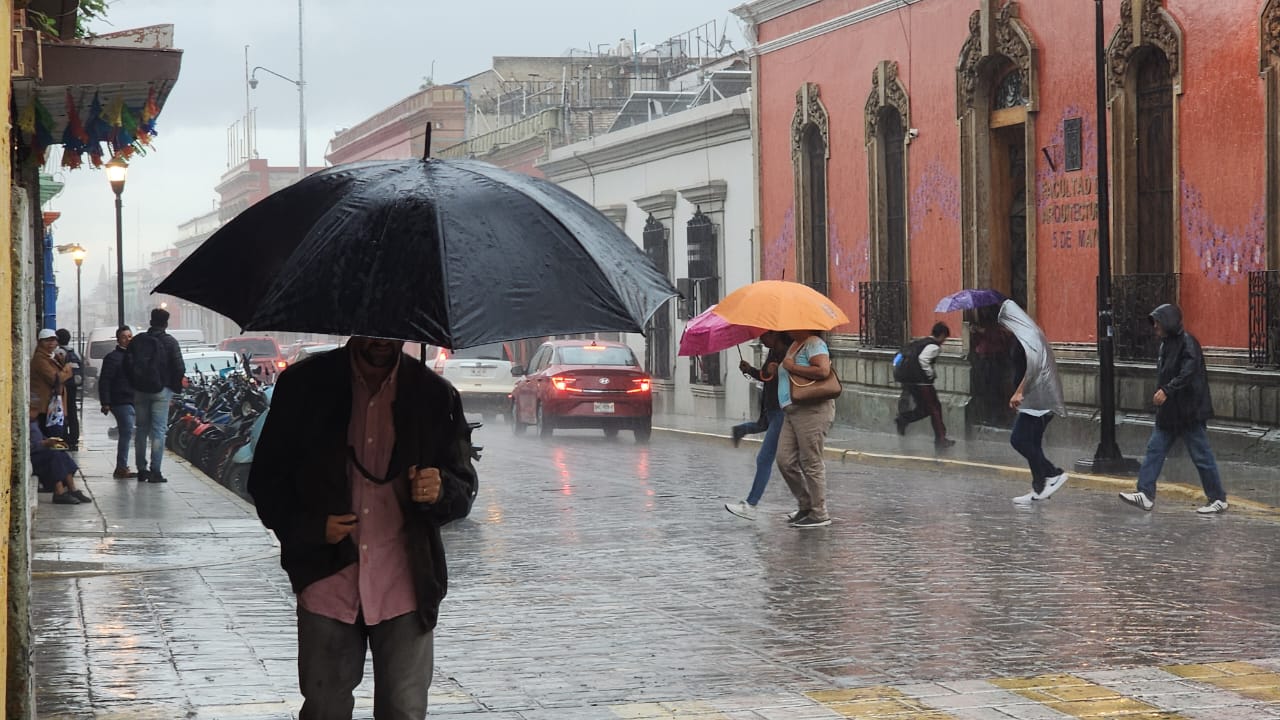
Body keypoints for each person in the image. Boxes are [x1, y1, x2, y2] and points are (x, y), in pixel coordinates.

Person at [248, 337, 478, 719]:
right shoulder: (306, 386)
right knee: (325, 707)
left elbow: (463, 485)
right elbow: (267, 482)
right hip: (327, 578)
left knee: (404, 709)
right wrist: (311, 528)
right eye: (372, 328)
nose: (381, 340)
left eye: (391, 331)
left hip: (406, 584)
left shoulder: (434, 395)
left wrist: (441, 489)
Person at [1120, 304, 1228, 514]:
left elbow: (1188, 373)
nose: (1155, 327)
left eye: (1158, 322)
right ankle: (1145, 494)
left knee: (1201, 456)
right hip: (1170, 413)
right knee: (1154, 450)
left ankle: (1218, 498)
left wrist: (1166, 391)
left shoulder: (1188, 343)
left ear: (1168, 322)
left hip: (1189, 412)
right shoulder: (1165, 345)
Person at [998, 300, 1069, 505]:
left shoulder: (1029, 336)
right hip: (1034, 400)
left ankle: (1053, 474)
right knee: (1033, 444)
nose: (1002, 327)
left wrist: (1018, 392)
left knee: (1018, 440)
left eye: (1004, 322)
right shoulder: (1023, 336)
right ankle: (1039, 488)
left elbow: (1035, 366)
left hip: (1039, 401)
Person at [725, 331, 791, 521]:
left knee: (764, 458)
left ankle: (751, 504)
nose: (761, 339)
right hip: (769, 405)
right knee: (762, 426)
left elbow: (792, 380)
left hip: (781, 409)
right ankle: (808, 506)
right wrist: (750, 370)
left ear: (776, 335)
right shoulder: (772, 352)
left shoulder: (789, 353)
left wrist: (780, 370)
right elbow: (765, 376)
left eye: (765, 335)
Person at [776, 330, 836, 528]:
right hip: (791, 411)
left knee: (811, 461)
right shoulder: (795, 345)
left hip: (811, 411)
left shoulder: (814, 343)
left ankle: (819, 513)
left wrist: (792, 367)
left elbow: (823, 370)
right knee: (784, 460)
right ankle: (805, 504)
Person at [125, 308, 184, 483]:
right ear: (166, 323)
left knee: (141, 430)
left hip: (140, 391)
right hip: (161, 391)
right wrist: (173, 386)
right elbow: (179, 367)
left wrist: (134, 384)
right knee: (158, 431)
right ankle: (155, 471)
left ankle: (141, 470)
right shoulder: (170, 342)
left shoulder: (138, 341)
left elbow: (127, 364)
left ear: (150, 321)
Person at [894, 322, 956, 448]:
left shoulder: (920, 343)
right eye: (945, 338)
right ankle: (941, 440)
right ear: (942, 335)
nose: (944, 341)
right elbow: (923, 360)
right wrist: (930, 374)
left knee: (925, 409)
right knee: (935, 409)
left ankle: (904, 419)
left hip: (911, 381)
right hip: (922, 383)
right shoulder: (933, 346)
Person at [99, 326, 138, 479]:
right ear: (118, 339)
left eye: (130, 336)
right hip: (120, 400)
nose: (128, 339)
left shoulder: (135, 356)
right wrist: (105, 402)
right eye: (125, 337)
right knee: (127, 431)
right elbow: (105, 380)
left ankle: (124, 465)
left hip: (133, 399)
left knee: (129, 432)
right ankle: (121, 467)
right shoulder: (112, 357)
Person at [30, 409, 91, 505]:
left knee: (62, 454)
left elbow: (41, 437)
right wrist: (43, 443)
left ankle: (72, 489)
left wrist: (50, 441)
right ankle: (59, 492)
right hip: (33, 456)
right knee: (54, 457)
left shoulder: (34, 422)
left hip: (40, 451)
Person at [30, 328, 72, 441]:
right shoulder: (40, 359)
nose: (51, 343)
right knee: (51, 437)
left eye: (54, 340)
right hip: (46, 406)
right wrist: (67, 371)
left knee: (57, 436)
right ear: (40, 342)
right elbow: (55, 379)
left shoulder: (51, 357)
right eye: (47, 340)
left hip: (53, 405)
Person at [55, 329, 83, 450]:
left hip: (64, 386)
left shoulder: (59, 352)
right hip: (73, 386)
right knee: (72, 411)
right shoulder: (74, 352)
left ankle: (65, 436)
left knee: (63, 411)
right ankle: (74, 437)